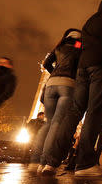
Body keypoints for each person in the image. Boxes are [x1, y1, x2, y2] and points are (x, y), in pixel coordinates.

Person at [43, 0, 102, 177]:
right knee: (95, 110)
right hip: (101, 66)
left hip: (83, 68)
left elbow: (82, 46)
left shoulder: (89, 21)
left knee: (74, 112)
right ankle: (85, 164)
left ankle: (51, 162)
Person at [30, 29, 82, 173]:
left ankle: (37, 161)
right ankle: (47, 162)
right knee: (57, 124)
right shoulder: (79, 47)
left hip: (51, 84)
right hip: (67, 85)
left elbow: (47, 63)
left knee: (48, 123)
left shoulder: (59, 46)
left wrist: (55, 73)